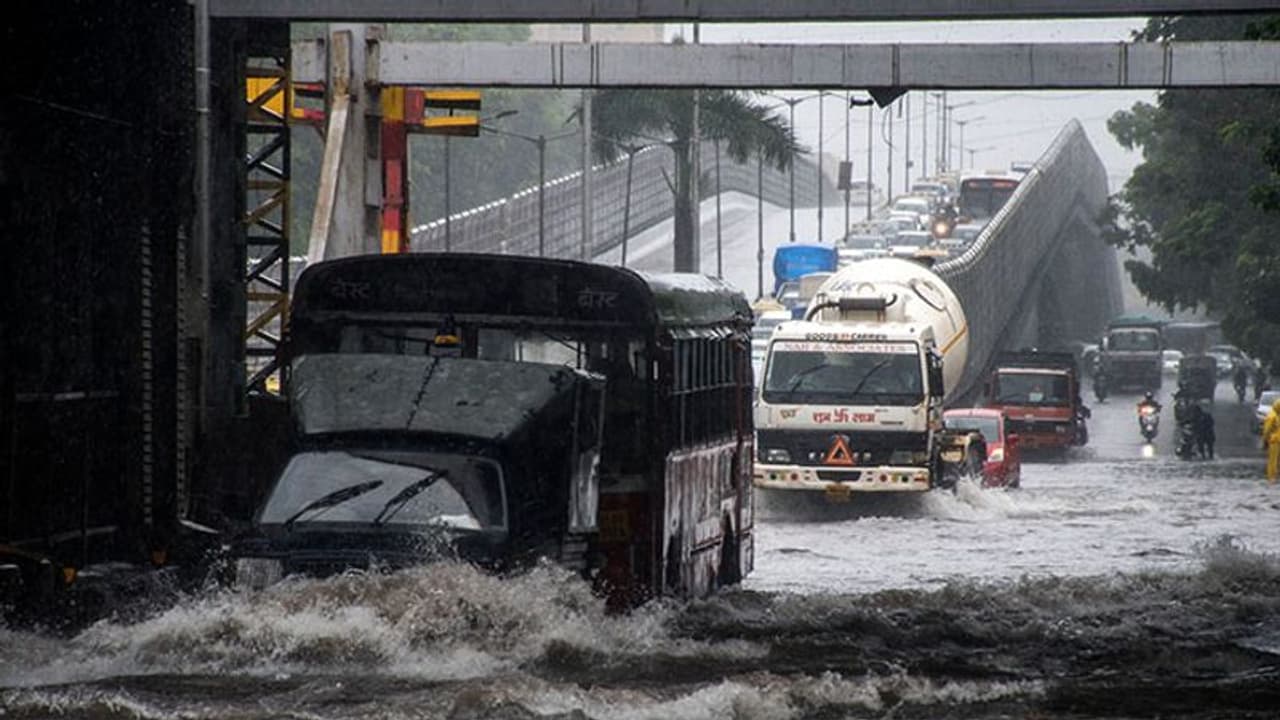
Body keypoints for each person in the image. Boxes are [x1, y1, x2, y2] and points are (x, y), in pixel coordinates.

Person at [1263, 398, 1280, 483]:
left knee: (1276, 460)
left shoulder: (1277, 415)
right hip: (1274, 441)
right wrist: (1265, 440)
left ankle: (1274, 476)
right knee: (1273, 460)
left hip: (1277, 440)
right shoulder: (1272, 416)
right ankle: (1271, 477)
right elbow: (1267, 430)